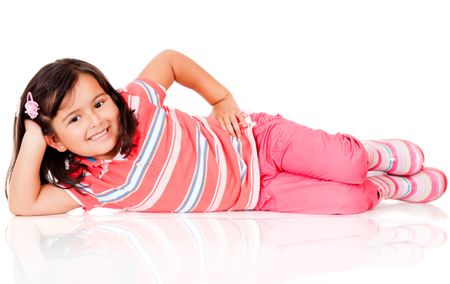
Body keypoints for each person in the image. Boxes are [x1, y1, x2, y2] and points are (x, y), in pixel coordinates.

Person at [5, 50, 447, 216]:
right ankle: (385, 186)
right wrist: (30, 138)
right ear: (55, 139)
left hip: (256, 140)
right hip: (258, 194)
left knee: (346, 164)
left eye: (98, 103)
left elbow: (170, 60)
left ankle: (368, 156)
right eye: (74, 119)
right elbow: (24, 204)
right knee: (354, 200)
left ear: (112, 96)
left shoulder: (138, 102)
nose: (97, 120)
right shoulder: (92, 186)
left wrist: (220, 99)